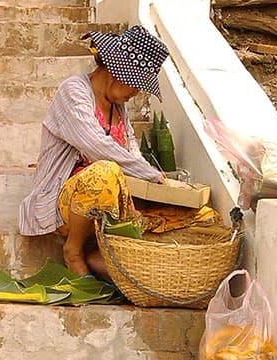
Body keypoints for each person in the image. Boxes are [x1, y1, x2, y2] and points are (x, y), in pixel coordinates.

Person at [19, 26, 170, 278]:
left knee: (189, 214)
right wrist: (149, 174)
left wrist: (160, 183)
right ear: (114, 70)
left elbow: (132, 151)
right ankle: (74, 251)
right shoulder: (74, 92)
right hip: (67, 201)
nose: (137, 92)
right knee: (105, 171)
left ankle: (99, 253)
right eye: (135, 83)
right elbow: (97, 146)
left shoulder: (118, 107)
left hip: (107, 207)